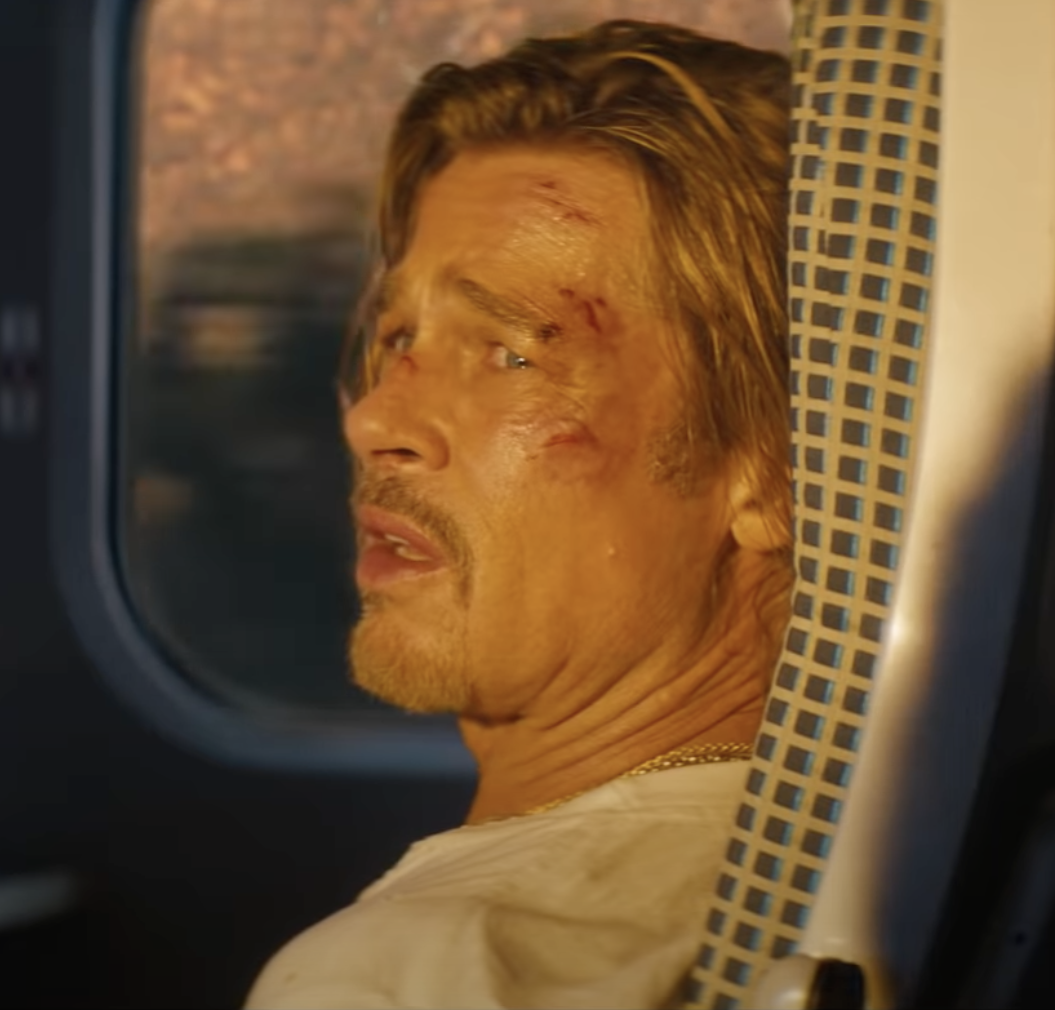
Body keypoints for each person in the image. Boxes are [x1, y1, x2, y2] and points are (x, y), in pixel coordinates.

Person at [246, 19, 792, 1009]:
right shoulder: (818, 864)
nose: (375, 419)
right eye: (398, 336)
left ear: (769, 470)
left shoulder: (410, 976)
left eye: (508, 353)